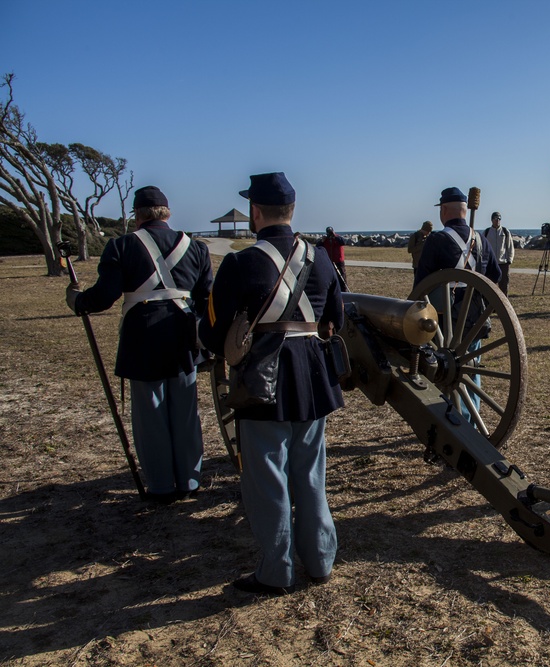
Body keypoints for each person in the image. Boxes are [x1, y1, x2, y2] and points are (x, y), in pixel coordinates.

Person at [200, 172, 344, 596]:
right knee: (311, 475)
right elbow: (334, 316)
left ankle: (275, 571)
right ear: (292, 211)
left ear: (255, 212)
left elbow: (213, 331)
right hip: (313, 376)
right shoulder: (320, 259)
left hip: (264, 379)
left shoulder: (240, 263)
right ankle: (320, 561)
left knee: (267, 481)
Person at [66, 186, 212, 504]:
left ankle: (161, 485)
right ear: (166, 213)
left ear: (138, 216)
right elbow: (205, 300)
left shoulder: (121, 246)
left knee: (151, 415)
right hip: (184, 337)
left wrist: (78, 300)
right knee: (186, 412)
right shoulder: (196, 249)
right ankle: (189, 479)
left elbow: (105, 296)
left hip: (143, 337)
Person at [415, 187, 502, 420]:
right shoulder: (481, 239)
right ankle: (470, 418)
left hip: (446, 316)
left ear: (444, 210)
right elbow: (495, 276)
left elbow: (421, 284)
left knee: (444, 368)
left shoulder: (437, 239)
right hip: (475, 313)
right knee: (470, 369)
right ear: (464, 211)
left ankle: (454, 422)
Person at [484, 211, 514, 295]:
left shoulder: (505, 231)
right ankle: (490, 305)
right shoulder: (487, 232)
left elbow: (510, 246)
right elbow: (483, 247)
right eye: (495, 218)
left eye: (499, 219)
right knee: (490, 285)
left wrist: (509, 260)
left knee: (504, 286)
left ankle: (504, 306)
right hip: (491, 264)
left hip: (503, 263)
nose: (497, 220)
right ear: (492, 220)